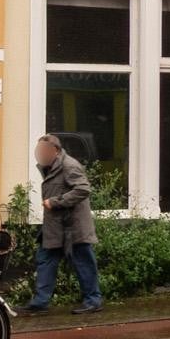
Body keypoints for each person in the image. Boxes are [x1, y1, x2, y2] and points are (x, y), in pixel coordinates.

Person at [29, 132, 101, 312]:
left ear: (55, 150)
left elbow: (83, 189)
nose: (39, 155)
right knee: (45, 260)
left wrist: (55, 202)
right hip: (55, 227)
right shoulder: (51, 165)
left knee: (83, 263)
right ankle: (40, 302)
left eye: (42, 151)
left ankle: (93, 301)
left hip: (73, 228)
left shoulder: (69, 166)